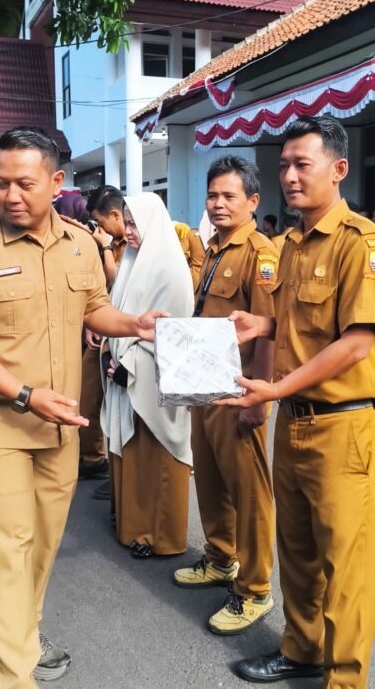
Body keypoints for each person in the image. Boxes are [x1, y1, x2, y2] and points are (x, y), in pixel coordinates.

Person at [0, 127, 162, 689]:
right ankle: (13, 673)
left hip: (61, 425)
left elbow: (93, 307)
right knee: (6, 546)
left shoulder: (79, 243)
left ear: (56, 182)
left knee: (41, 543)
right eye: (0, 183)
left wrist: (135, 324)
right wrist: (24, 395)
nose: (10, 195)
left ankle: (23, 632)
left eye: (24, 183)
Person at [215, 116, 375, 687]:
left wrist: (278, 388)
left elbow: (357, 343)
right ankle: (302, 650)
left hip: (341, 427)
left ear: (339, 169)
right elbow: (298, 323)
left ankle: (346, 679)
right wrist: (261, 324)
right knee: (298, 550)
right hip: (294, 424)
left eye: (302, 164)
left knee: (345, 564)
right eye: (283, 165)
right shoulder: (289, 245)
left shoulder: (360, 242)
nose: (288, 176)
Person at [174, 156, 276, 636]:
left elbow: (270, 332)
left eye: (228, 196)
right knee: (211, 480)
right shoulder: (213, 247)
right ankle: (220, 557)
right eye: (212, 195)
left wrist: (260, 398)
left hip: (239, 391)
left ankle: (254, 588)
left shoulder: (260, 253)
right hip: (204, 387)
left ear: (252, 201)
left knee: (249, 493)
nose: (217, 203)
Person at [101, 192, 194, 559]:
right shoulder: (131, 263)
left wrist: (130, 366)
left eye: (134, 224)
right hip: (125, 372)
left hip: (154, 381)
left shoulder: (170, 270)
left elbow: (174, 333)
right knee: (134, 455)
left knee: (158, 456)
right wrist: (111, 353)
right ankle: (134, 527)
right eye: (126, 223)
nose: (128, 231)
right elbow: (118, 316)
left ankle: (162, 536)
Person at [77, 187, 127, 487]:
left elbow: (117, 282)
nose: (99, 227)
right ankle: (93, 458)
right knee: (88, 396)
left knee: (120, 406)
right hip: (103, 331)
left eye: (100, 221)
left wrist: (106, 248)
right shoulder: (111, 241)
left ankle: (116, 473)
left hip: (128, 334)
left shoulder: (132, 241)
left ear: (115, 215)